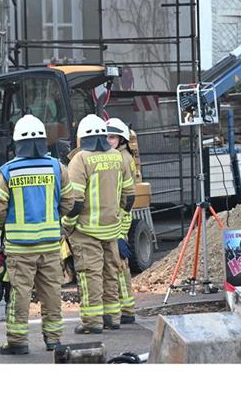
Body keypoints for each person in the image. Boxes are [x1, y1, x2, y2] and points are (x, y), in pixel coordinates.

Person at [0, 114, 74, 355]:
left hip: (19, 247)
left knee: (19, 294)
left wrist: (5, 226)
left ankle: (17, 342)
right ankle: (54, 340)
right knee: (52, 293)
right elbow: (69, 202)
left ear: (18, 143)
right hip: (50, 245)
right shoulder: (58, 168)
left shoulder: (7, 172)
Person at [62, 114, 135, 334]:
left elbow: (75, 200)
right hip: (112, 229)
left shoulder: (80, 159)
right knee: (110, 272)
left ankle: (92, 322)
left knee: (90, 275)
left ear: (82, 137)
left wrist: (67, 224)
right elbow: (129, 196)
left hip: (86, 230)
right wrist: (118, 218)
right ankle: (112, 318)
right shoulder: (118, 157)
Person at [106, 117, 138, 325]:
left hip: (119, 220)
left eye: (113, 137)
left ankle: (126, 310)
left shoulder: (122, 159)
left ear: (122, 139)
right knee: (119, 267)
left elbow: (125, 197)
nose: (109, 140)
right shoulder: (123, 156)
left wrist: (119, 232)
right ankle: (126, 308)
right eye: (107, 136)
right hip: (119, 219)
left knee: (119, 267)